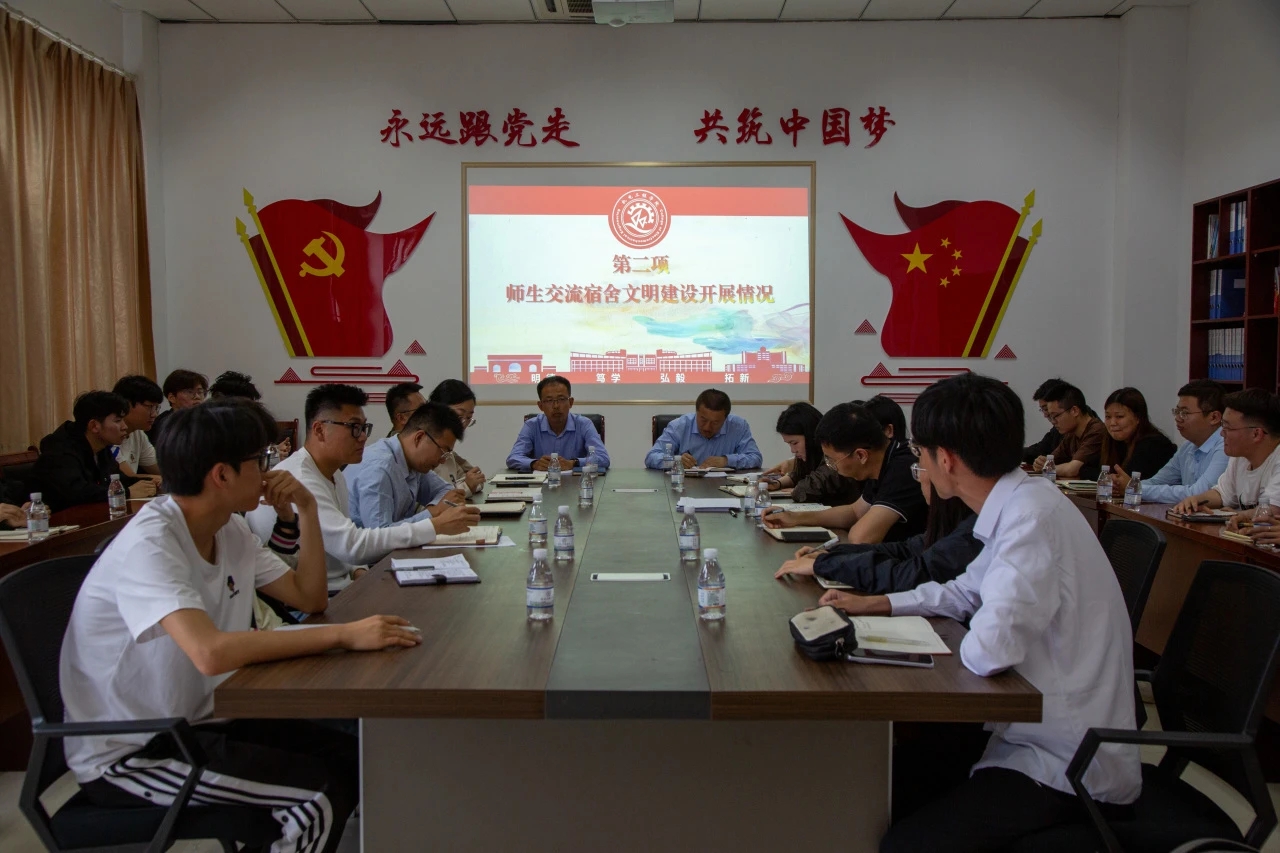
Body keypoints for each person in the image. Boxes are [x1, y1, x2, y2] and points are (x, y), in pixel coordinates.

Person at [58, 397, 420, 853]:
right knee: (314, 801)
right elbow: (209, 652)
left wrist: (308, 509)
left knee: (352, 758)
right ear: (222, 475)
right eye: (261, 459)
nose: (271, 471)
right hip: (136, 750)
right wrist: (346, 634)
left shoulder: (227, 529)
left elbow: (308, 597)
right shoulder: (151, 544)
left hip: (202, 721)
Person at [827, 373, 1139, 852]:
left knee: (904, 841)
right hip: (1024, 731)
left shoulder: (1029, 519)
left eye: (920, 452)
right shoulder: (1021, 500)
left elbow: (990, 650)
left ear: (946, 459)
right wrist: (882, 604)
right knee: (880, 783)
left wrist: (928, 638)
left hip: (1066, 761)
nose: (918, 464)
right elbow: (965, 590)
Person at [246, 384, 474, 592]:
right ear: (319, 430)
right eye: (354, 428)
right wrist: (434, 524)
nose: (363, 437)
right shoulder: (302, 478)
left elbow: (344, 544)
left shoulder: (334, 473)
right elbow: (352, 544)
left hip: (342, 586)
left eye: (364, 428)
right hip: (314, 598)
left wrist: (359, 572)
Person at [774, 460, 980, 595]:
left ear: (945, 462)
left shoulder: (972, 531)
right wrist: (832, 554)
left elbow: (913, 573)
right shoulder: (959, 520)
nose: (918, 479)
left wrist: (827, 565)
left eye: (918, 468)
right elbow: (908, 549)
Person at [762, 403, 927, 544]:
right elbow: (854, 512)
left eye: (832, 460)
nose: (831, 466)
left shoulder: (902, 467)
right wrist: (795, 518)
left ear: (861, 455)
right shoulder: (882, 460)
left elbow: (861, 537)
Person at [346, 402, 482, 530]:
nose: (442, 460)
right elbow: (380, 535)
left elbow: (447, 492)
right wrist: (433, 513)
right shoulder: (379, 469)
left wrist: (438, 508)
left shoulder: (414, 462)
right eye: (442, 452)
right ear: (419, 438)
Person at [33, 391, 155, 511]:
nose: (125, 427)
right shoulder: (60, 450)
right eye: (118, 421)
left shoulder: (101, 447)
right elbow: (77, 492)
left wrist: (149, 483)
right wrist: (126, 492)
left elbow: (117, 479)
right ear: (94, 426)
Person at [1173, 387, 1280, 517]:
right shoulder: (1241, 457)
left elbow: (1273, 510)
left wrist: (1239, 515)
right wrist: (1195, 500)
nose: (1222, 433)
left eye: (1228, 427)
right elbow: (1222, 494)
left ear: (1256, 434)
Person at [1143, 379, 1228, 505]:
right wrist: (1129, 486)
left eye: (1184, 413)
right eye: (1177, 412)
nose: (1178, 418)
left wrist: (1136, 489)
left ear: (1214, 417)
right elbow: (1157, 482)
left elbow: (1198, 494)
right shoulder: (1187, 446)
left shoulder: (1226, 446)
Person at [762, 402, 861, 505]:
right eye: (789, 444)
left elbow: (808, 488)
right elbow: (799, 474)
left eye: (794, 443)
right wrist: (777, 483)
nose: (793, 450)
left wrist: (797, 490)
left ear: (810, 436)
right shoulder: (813, 455)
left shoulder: (834, 454)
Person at [507, 375, 611, 472]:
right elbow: (513, 458)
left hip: (577, 483)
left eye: (561, 399)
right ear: (540, 406)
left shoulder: (584, 424)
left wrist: (573, 463)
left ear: (570, 402)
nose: (556, 406)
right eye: (549, 400)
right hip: (542, 483)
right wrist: (534, 464)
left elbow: (603, 458)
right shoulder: (532, 426)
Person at [644, 388, 762, 470]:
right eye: (703, 420)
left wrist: (726, 461)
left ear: (725, 419)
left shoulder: (738, 427)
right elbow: (651, 457)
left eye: (715, 422)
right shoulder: (679, 426)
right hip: (684, 487)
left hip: (724, 487)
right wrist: (676, 461)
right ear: (696, 412)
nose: (707, 427)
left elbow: (755, 458)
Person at [1098, 387, 1177, 493]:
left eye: (1119, 416)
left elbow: (1130, 482)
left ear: (1138, 418)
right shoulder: (1114, 441)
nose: (1112, 423)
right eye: (1108, 417)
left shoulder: (1154, 445)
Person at [1033, 382, 1106, 479]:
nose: (1053, 421)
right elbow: (1050, 461)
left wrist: (1046, 467)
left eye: (1055, 416)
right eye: (1050, 417)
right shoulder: (1071, 433)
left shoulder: (1096, 431)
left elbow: (1072, 469)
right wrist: (1040, 462)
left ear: (1074, 411)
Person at [427, 379, 486, 495]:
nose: (463, 424)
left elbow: (476, 480)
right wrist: (467, 487)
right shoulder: (427, 449)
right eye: (459, 416)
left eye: (468, 418)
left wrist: (470, 484)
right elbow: (433, 500)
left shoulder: (449, 453)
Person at [112, 375, 164, 481]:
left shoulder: (138, 433)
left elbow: (161, 469)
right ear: (126, 404)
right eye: (150, 407)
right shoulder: (108, 433)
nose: (154, 414)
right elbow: (128, 478)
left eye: (156, 408)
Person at [149, 369, 208, 443]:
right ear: (172, 398)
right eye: (190, 392)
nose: (197, 397)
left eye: (200, 392)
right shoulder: (164, 424)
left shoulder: (206, 420)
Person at [1022, 378, 1066, 464]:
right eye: (1043, 410)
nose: (1046, 415)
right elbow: (1040, 450)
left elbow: (1074, 466)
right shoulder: (1058, 429)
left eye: (1046, 409)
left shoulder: (1089, 430)